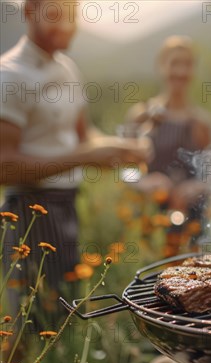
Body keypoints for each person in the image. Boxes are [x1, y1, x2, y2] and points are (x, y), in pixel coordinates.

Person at [0, 0, 151, 330]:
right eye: (55, 15)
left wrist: (121, 148)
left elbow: (84, 137)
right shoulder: (9, 75)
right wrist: (85, 158)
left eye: (72, 15)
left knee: (61, 313)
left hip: (68, 205)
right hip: (27, 211)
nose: (67, 25)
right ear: (28, 12)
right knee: (28, 322)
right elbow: (4, 166)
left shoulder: (67, 67)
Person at [126, 36, 211, 254]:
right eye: (175, 63)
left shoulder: (202, 122)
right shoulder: (140, 116)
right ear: (161, 66)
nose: (181, 71)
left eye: (187, 64)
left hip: (193, 218)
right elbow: (123, 169)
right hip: (150, 216)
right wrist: (144, 183)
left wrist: (199, 186)